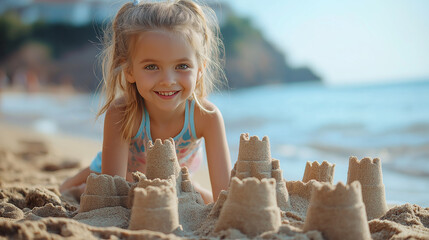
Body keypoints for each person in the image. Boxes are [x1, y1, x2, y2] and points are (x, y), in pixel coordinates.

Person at [60, 0, 231, 204]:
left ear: (200, 69)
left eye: (182, 66)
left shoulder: (207, 117)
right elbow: (113, 191)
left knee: (201, 197)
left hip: (175, 180)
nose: (168, 81)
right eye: (151, 67)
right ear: (129, 70)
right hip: (122, 173)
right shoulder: (122, 113)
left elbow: (224, 195)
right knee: (67, 190)